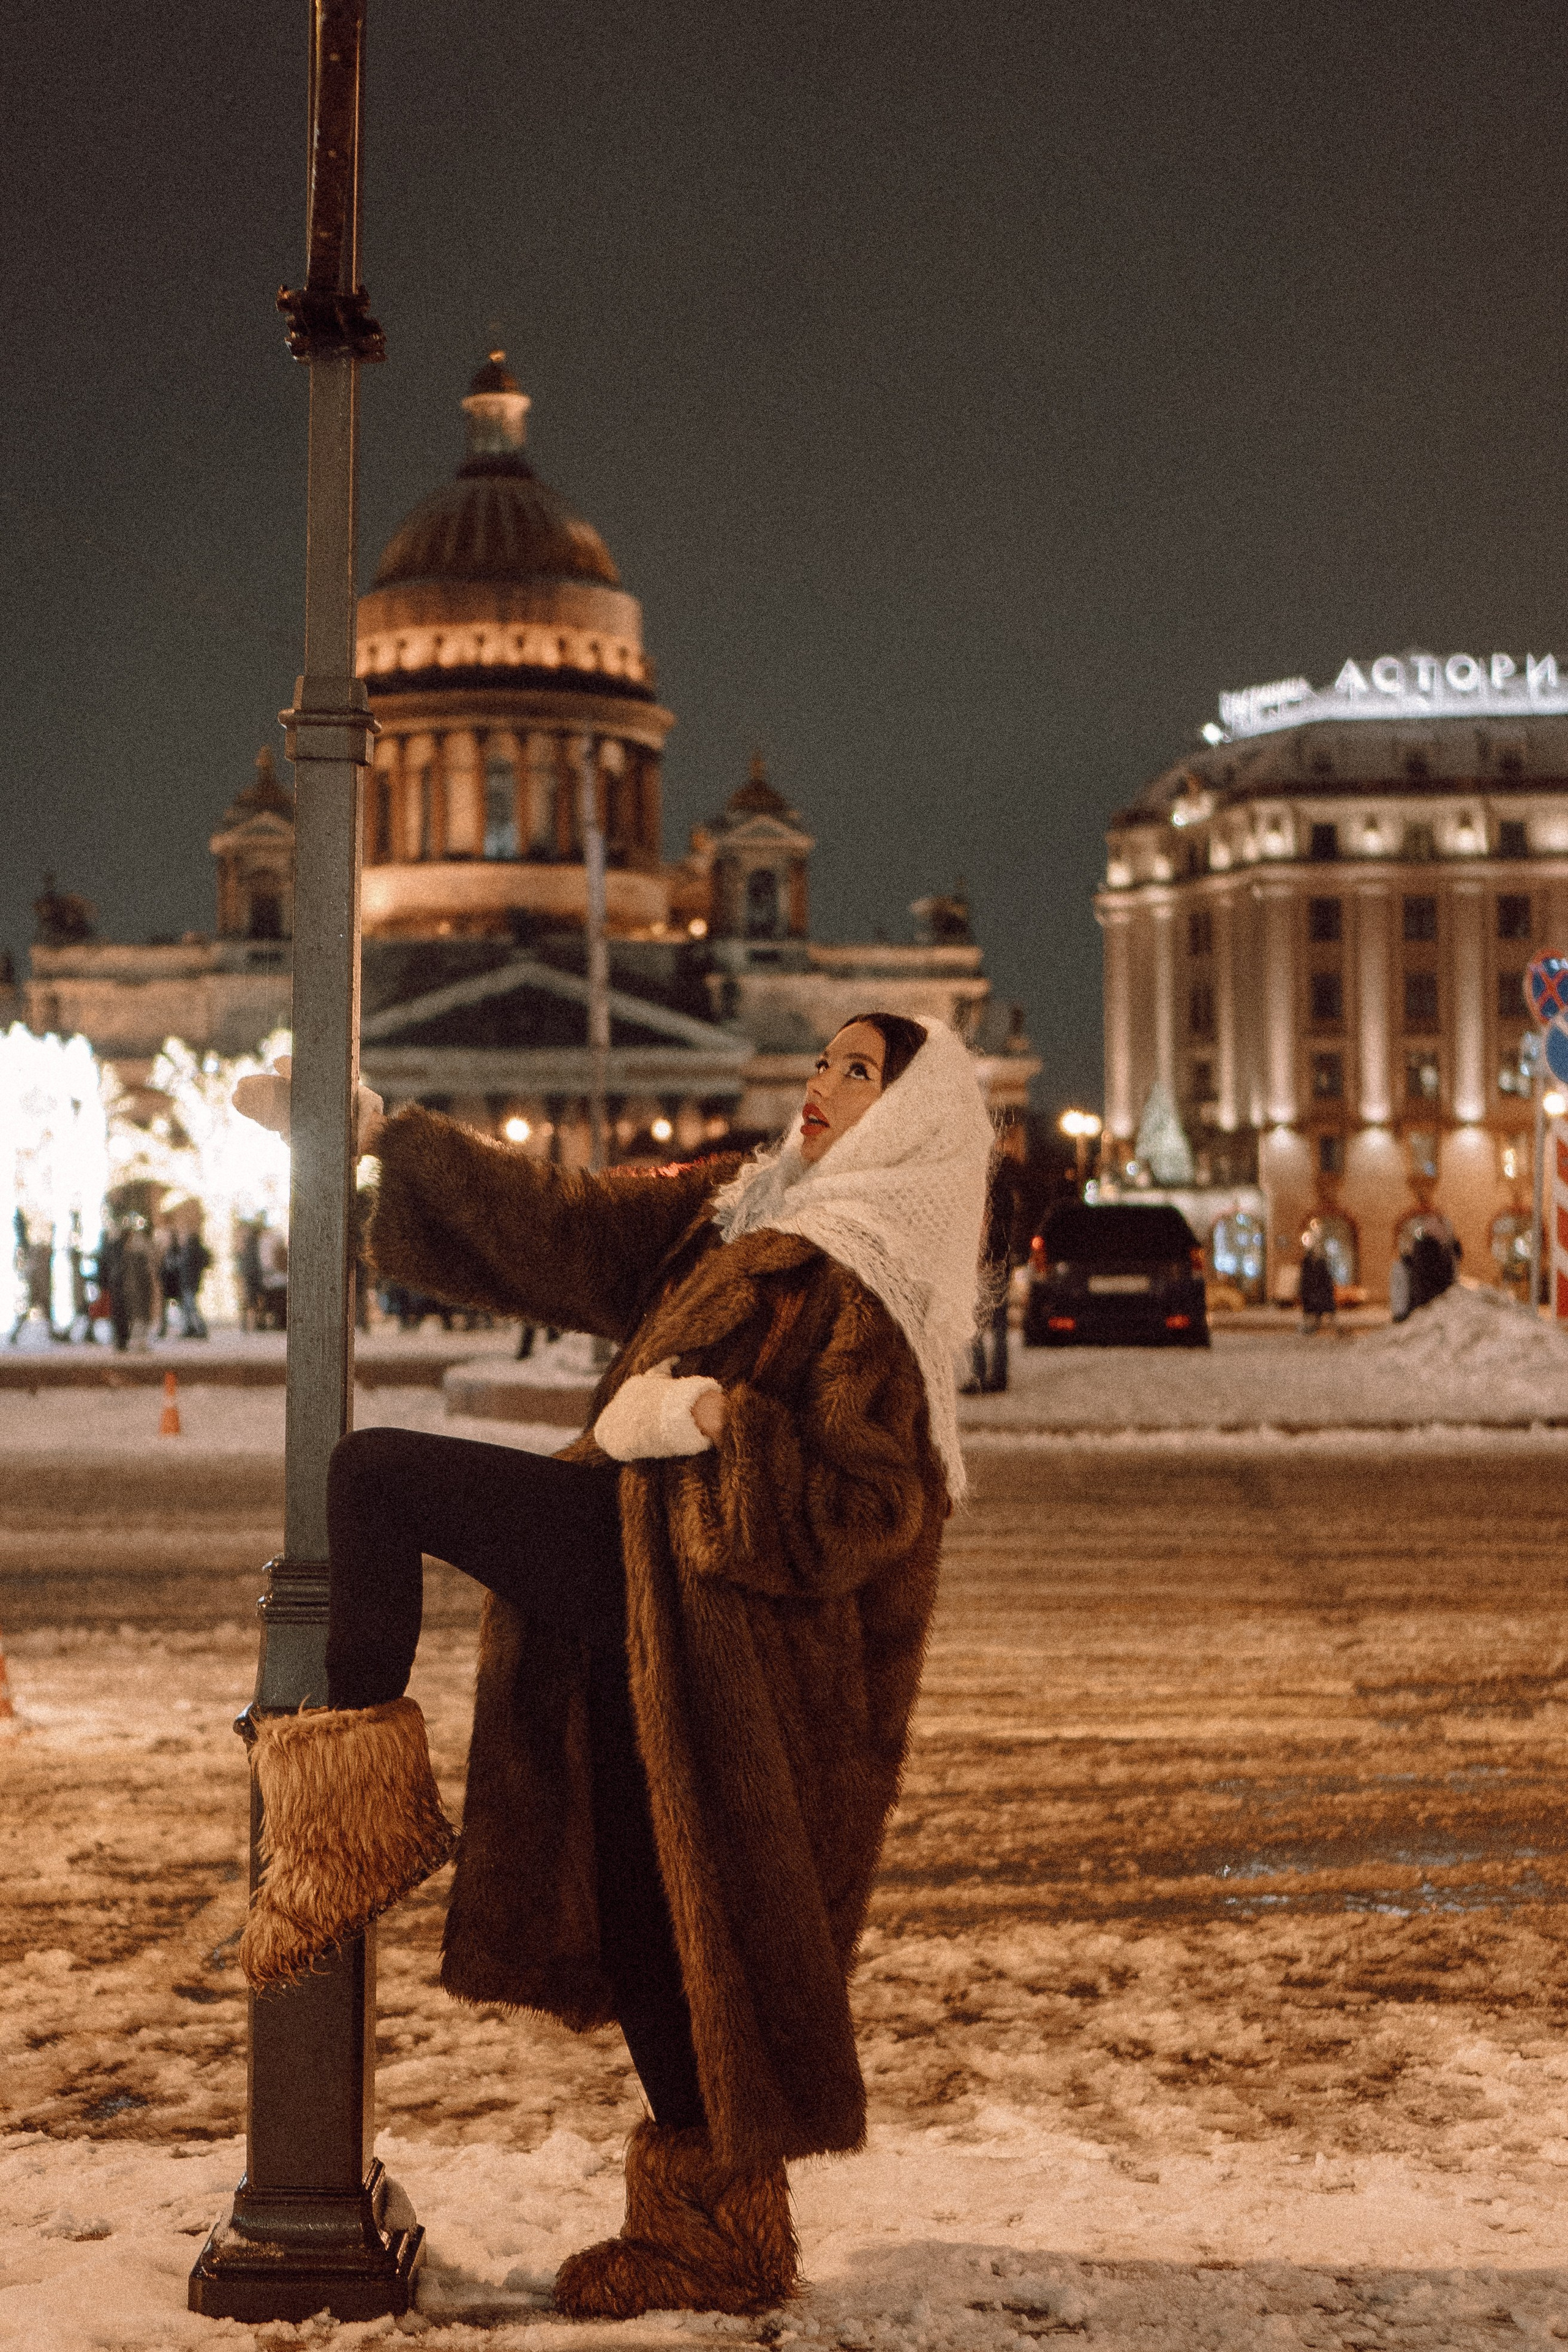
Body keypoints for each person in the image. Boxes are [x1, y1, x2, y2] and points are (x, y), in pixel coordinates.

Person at [232, 1014, 992, 2321]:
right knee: (658, 1931)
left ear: (917, 1116)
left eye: (858, 1071)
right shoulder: (745, 1211)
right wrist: (379, 1141)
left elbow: (867, 1510)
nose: (819, 1084)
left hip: (723, 1632)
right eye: (819, 1060)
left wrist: (707, 1423)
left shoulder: (871, 1274)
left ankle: (347, 1818)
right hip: (654, 1606)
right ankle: (714, 2239)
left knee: (381, 1477)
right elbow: (568, 1225)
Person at [962, 1121, 1026, 1393]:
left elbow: (986, 1224)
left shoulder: (989, 1188)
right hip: (1000, 1257)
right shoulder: (1009, 1184)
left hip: (985, 1259)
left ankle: (981, 1375)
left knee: (977, 1320)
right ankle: (997, 1376)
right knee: (996, 1321)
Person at [1298, 1229, 1336, 1335]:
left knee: (1319, 1309)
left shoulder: (1320, 1263)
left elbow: (1325, 1278)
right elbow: (1305, 1278)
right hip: (1312, 1291)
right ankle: (1311, 1327)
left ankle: (1315, 1326)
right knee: (1312, 1310)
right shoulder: (1308, 1263)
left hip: (1319, 1291)